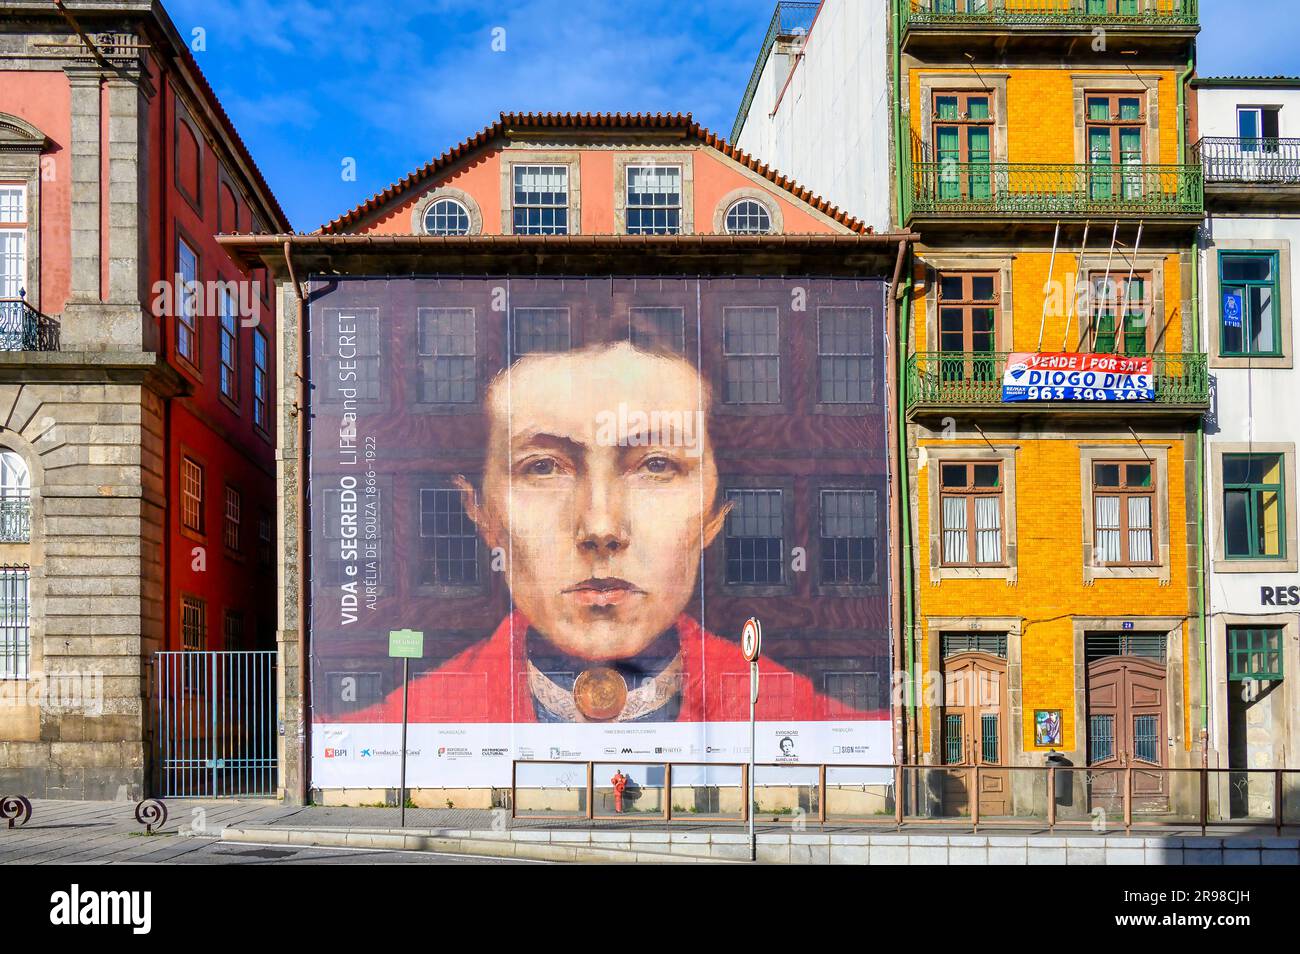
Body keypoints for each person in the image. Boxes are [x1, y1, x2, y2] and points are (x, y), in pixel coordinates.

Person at [347, 341, 860, 724]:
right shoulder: (401, 723)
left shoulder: (812, 717)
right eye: (543, 467)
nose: (600, 528)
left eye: (656, 464)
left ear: (715, 514)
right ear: (481, 512)